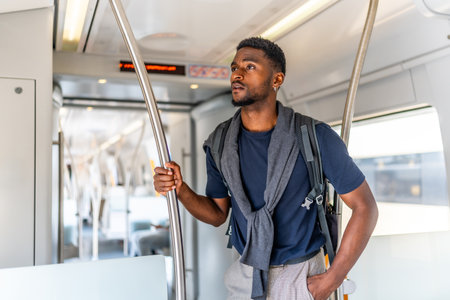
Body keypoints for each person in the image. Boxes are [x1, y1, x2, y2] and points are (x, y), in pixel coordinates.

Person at [153, 37, 378, 300]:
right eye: (234, 67)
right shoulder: (219, 143)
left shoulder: (315, 137)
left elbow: (365, 207)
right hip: (244, 273)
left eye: (249, 67)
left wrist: (332, 279)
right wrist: (181, 190)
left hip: (300, 276)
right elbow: (217, 214)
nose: (236, 74)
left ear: (276, 80)